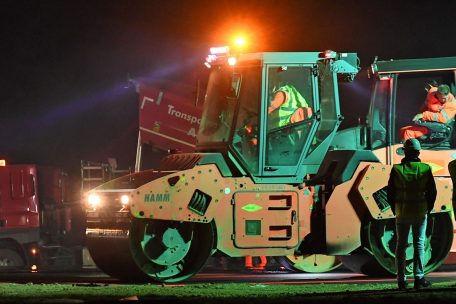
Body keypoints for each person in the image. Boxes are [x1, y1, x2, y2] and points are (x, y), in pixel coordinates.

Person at [387, 138, 436, 290]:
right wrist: (428, 208)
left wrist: (394, 209)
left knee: (401, 245)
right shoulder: (425, 169)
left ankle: (401, 280)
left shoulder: (396, 169)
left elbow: (390, 193)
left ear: (405, 152)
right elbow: (432, 192)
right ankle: (419, 278)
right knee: (419, 245)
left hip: (402, 213)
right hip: (420, 212)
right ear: (418, 152)